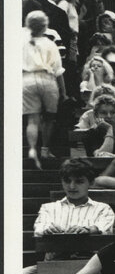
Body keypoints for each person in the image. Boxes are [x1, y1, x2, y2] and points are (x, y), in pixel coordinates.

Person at [23, 158, 115, 274]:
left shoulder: (102, 208)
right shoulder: (49, 208)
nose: (72, 186)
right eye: (67, 181)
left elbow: (105, 228)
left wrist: (90, 230)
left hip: (88, 266)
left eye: (79, 181)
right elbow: (39, 227)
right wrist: (48, 229)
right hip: (54, 263)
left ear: (90, 183)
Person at [23, 10, 66, 168]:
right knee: (49, 118)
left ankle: (33, 149)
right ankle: (45, 149)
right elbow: (58, 70)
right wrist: (64, 92)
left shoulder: (22, 42)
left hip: (27, 80)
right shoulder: (50, 43)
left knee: (32, 119)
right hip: (47, 80)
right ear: (44, 26)